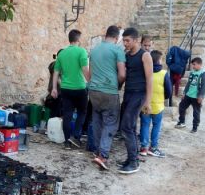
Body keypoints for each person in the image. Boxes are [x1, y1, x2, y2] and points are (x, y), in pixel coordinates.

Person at [88, 25, 126, 170]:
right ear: (117, 38)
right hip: (109, 90)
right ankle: (103, 155)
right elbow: (122, 74)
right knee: (110, 123)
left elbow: (90, 73)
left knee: (97, 120)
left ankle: (97, 151)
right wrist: (118, 86)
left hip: (94, 90)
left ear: (106, 35)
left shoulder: (95, 49)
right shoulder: (117, 50)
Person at [118, 27, 153, 174]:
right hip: (128, 93)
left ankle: (133, 162)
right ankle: (132, 158)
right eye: (124, 40)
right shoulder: (127, 55)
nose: (125, 43)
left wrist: (148, 101)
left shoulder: (145, 56)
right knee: (129, 127)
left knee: (126, 126)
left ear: (136, 40)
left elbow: (149, 78)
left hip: (139, 95)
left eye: (127, 40)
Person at [51, 29, 90, 150]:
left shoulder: (62, 54)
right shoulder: (81, 51)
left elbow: (55, 72)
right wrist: (91, 83)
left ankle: (67, 141)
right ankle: (76, 137)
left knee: (67, 115)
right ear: (78, 39)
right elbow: (85, 70)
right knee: (82, 112)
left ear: (69, 39)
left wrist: (54, 88)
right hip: (79, 88)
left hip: (65, 89)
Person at [139, 50, 172, 158]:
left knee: (144, 125)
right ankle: (153, 148)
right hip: (158, 105)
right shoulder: (163, 73)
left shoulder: (144, 72)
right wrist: (164, 98)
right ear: (159, 60)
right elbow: (168, 91)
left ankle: (143, 147)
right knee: (156, 126)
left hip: (145, 104)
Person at [175, 57, 205, 133]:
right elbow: (188, 83)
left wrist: (201, 96)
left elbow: (204, 86)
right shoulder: (192, 73)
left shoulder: (204, 74)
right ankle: (182, 122)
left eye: (194, 64)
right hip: (188, 95)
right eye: (192, 65)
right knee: (181, 107)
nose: (193, 66)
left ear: (200, 64)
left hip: (196, 97)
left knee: (196, 112)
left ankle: (195, 127)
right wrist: (184, 93)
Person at [45, 49, 63, 118]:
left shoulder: (53, 65)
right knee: (56, 118)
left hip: (51, 94)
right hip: (57, 95)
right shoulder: (58, 66)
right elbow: (58, 80)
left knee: (52, 117)